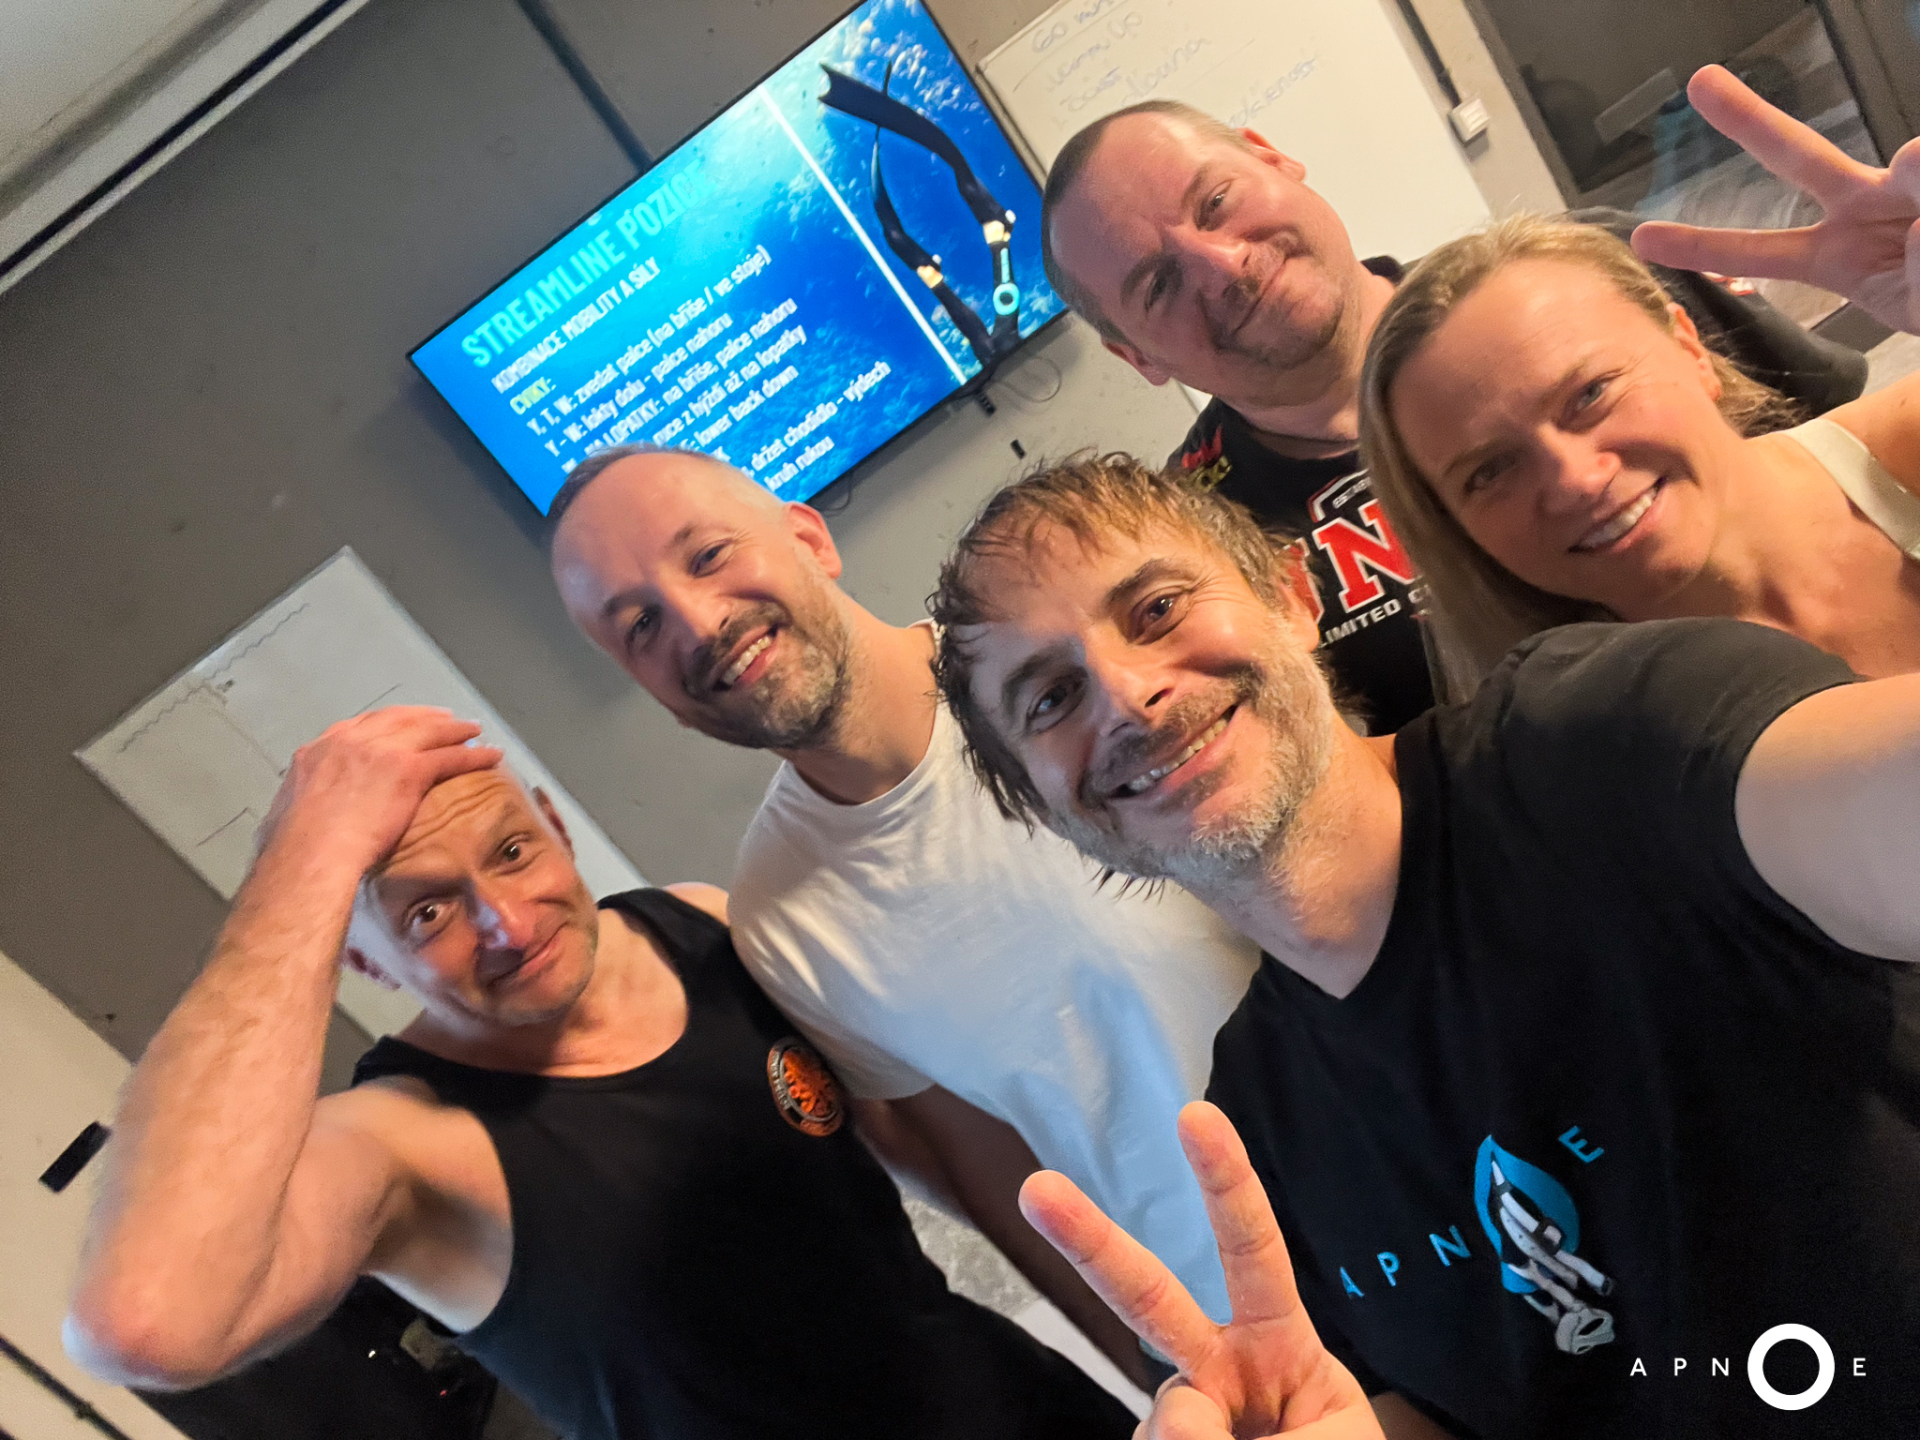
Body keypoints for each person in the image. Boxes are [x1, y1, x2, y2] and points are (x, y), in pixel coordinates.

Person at [927, 446, 1920, 1436]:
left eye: (1157, 609)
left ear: (1291, 596)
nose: (1124, 693)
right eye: (1050, 698)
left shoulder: (1603, 741)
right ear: (1040, 810)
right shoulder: (1261, 1132)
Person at [63, 706, 1135, 1439]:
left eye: (513, 852)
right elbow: (149, 1320)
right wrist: (302, 861)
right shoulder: (405, 1142)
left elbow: (936, 1151)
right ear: (364, 964)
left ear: (556, 825)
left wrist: (1149, 1354)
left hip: (1018, 1408)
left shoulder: (694, 925)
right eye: (427, 913)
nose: (505, 921)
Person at [547, 450, 1261, 1384]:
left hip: (1412, 1170)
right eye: (640, 624)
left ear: (809, 537)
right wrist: (1154, 1366)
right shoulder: (779, 920)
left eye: (709, 555)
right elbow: (991, 1168)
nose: (699, 621)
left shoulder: (1069, 684)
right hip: (1231, 1330)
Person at [1038, 95, 1868, 732]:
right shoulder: (1187, 552)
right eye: (1159, 284)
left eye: (1216, 201)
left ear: (1273, 158)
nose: (1223, 265)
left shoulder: (1589, 275)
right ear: (1136, 357)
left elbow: (1861, 465)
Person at [1356, 68, 1920, 696]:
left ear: (1690, 347)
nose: (1575, 481)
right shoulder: (1573, 730)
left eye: (1590, 394)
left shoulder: (1905, 455)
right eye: (1489, 471)